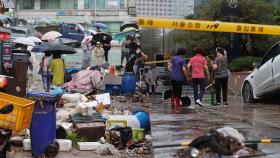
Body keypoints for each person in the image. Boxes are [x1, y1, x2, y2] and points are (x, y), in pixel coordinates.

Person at [171, 48, 188, 112]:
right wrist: (187, 77)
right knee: (179, 91)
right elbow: (184, 69)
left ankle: (172, 104)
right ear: (183, 54)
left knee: (174, 90)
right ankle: (177, 105)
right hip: (179, 78)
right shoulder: (182, 60)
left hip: (173, 77)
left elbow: (171, 66)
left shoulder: (173, 58)